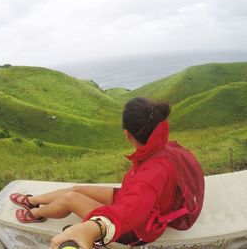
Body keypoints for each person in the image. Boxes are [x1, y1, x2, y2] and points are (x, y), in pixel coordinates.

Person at [10, 97, 185, 248]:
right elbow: (137, 197)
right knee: (77, 189)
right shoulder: (161, 147)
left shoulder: (152, 173)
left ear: (127, 134)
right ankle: (33, 201)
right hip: (132, 199)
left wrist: (91, 229)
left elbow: (133, 210)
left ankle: (35, 214)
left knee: (70, 198)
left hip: (134, 227)